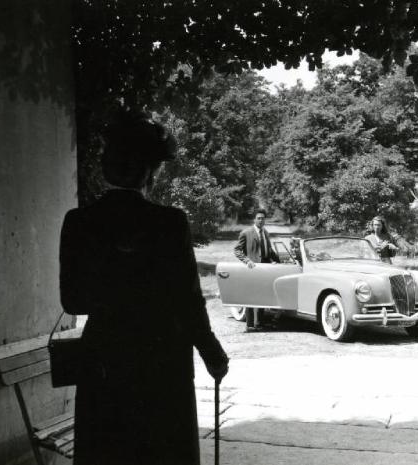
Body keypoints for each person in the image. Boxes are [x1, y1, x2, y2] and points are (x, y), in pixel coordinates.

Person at [59, 111, 228, 465]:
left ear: (106, 167)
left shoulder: (78, 223)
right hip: (162, 356)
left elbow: (72, 301)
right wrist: (210, 349)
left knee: (106, 450)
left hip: (104, 356)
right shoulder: (170, 223)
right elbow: (189, 300)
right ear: (150, 172)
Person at [233, 209, 279, 331]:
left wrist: (277, 261)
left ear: (265, 220)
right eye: (258, 218)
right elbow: (237, 250)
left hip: (264, 268)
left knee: (262, 296)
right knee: (250, 296)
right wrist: (247, 261)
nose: (261, 220)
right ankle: (249, 325)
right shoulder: (246, 233)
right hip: (252, 269)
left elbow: (269, 251)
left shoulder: (266, 233)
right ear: (254, 219)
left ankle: (259, 324)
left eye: (263, 218)